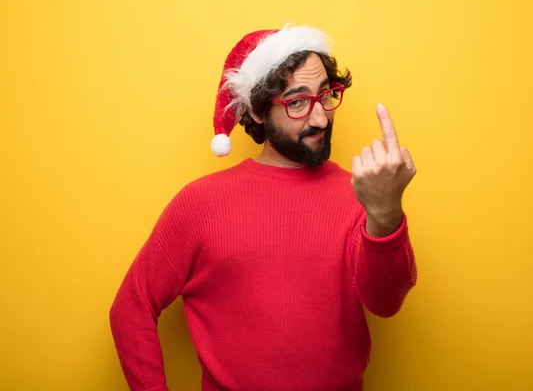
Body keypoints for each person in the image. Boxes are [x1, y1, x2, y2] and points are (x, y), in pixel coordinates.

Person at [109, 24, 418, 391]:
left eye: (326, 95)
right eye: (297, 101)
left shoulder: (362, 193)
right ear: (256, 111)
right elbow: (131, 307)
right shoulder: (201, 204)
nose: (320, 118)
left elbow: (385, 303)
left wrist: (385, 214)